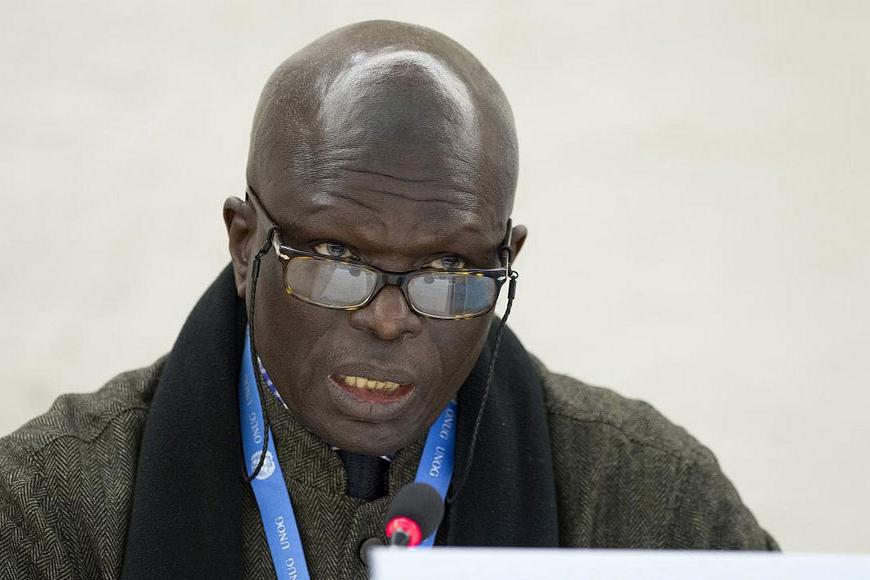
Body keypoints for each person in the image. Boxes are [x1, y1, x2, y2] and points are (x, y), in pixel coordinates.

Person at [0, 19, 777, 580]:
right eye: (336, 260)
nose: (387, 317)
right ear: (243, 245)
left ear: (506, 259)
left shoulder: (649, 501)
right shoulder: (52, 507)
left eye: (448, 269)